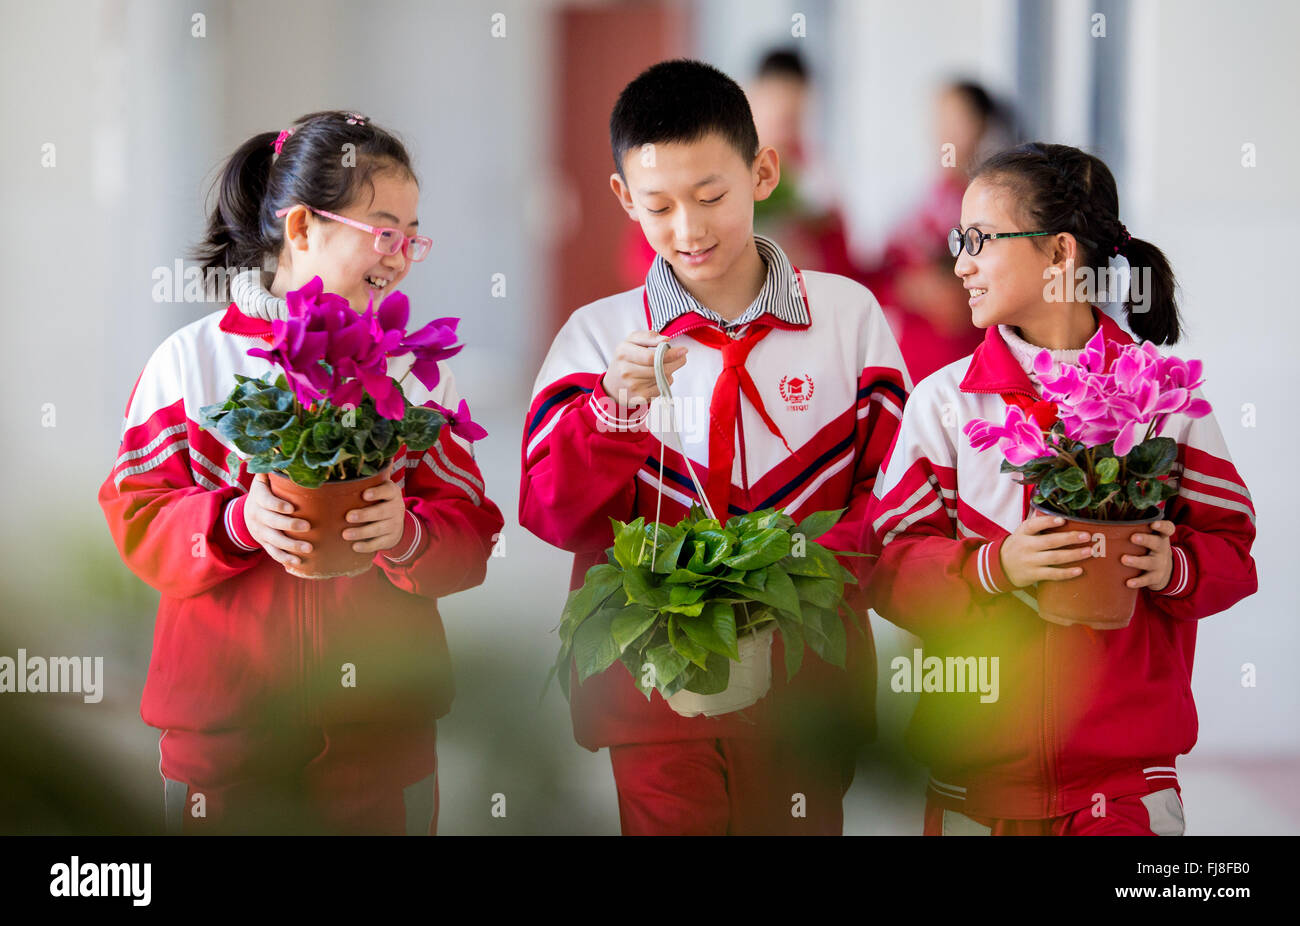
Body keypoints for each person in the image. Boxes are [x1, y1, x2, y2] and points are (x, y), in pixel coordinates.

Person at [520, 59, 910, 835]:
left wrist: (797, 584)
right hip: (652, 693)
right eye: (658, 206)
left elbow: (894, 500)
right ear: (623, 197)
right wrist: (612, 411)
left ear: (763, 171)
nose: (688, 230)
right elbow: (551, 513)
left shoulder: (847, 321)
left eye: (711, 197)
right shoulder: (597, 338)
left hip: (807, 686)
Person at [98, 110, 504, 835]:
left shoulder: (411, 373)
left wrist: (408, 535)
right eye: (383, 230)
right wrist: (233, 523)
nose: (402, 254)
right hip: (228, 748)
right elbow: (137, 516)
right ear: (301, 228)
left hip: (381, 741)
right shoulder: (193, 364)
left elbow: (473, 532)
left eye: (412, 236)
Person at [865, 142, 1257, 835]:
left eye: (979, 240)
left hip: (1127, 791)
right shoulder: (945, 405)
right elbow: (888, 566)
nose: (959, 262)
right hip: (971, 787)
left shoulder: (1162, 399)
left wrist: (1175, 567)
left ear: (1059, 255)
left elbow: (1233, 550)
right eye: (960, 241)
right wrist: (994, 567)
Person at [864, 80, 1016, 383]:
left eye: (957, 119)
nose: (944, 131)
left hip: (952, 357)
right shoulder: (926, 197)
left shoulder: (992, 203)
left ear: (982, 127)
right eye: (939, 118)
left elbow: (969, 296)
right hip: (905, 354)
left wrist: (928, 288)